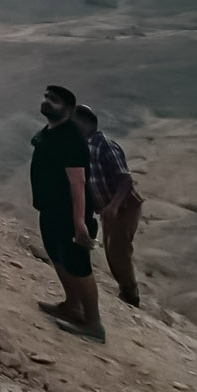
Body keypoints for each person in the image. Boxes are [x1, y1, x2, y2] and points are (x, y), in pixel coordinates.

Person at [31, 84, 103, 339]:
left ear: (69, 110)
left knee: (78, 265)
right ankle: (72, 306)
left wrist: (80, 223)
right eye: (46, 97)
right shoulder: (51, 132)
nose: (47, 102)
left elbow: (78, 182)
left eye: (55, 100)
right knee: (58, 257)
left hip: (69, 214)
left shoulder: (71, 138)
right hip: (49, 210)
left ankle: (93, 323)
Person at [73, 104, 143, 307]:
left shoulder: (104, 144)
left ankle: (131, 296)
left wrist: (113, 205)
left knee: (119, 251)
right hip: (107, 209)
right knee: (111, 252)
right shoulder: (85, 147)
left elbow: (125, 179)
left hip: (124, 206)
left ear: (85, 123)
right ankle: (126, 291)